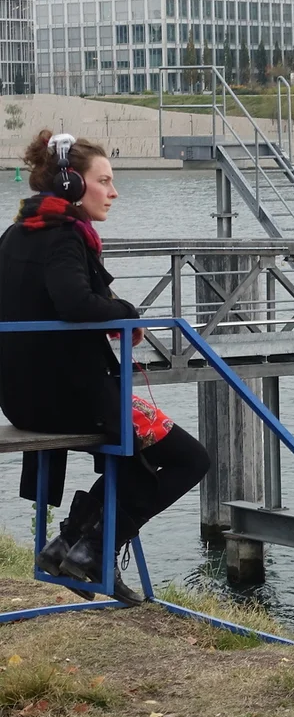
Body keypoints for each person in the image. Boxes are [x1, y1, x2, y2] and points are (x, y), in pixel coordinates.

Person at [0, 131, 210, 607]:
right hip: (69, 399)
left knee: (146, 451)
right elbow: (75, 302)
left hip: (23, 399)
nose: (114, 192)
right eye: (105, 181)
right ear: (73, 185)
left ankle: (68, 545)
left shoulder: (15, 233)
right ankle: (93, 546)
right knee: (191, 459)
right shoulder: (64, 237)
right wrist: (127, 315)